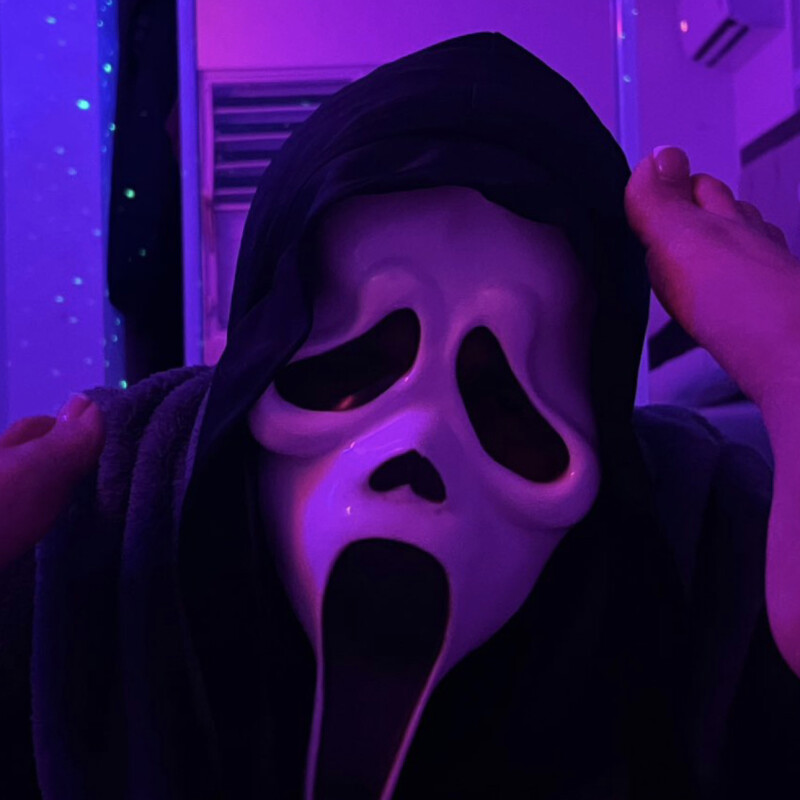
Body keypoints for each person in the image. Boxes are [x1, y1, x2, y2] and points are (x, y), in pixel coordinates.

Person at [2, 33, 799, 799]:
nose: (416, 450)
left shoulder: (710, 596)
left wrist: (788, 345)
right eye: (352, 367)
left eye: (506, 404)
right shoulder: (79, 589)